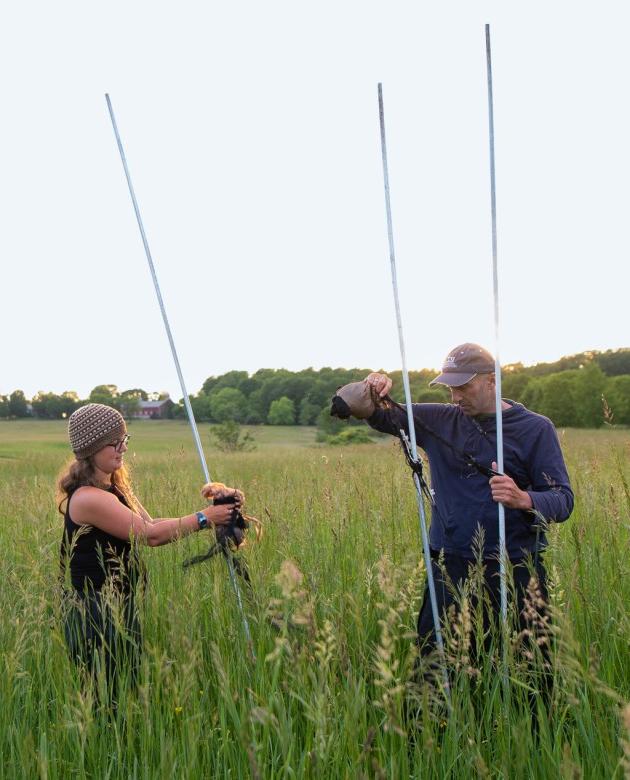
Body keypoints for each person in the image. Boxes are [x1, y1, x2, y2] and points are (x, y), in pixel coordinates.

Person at [358, 343, 574, 678]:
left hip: (517, 567)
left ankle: (528, 730)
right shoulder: (438, 419)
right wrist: (370, 388)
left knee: (531, 672)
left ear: (491, 380)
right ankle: (431, 730)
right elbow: (375, 413)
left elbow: (563, 499)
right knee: (434, 670)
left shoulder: (535, 428)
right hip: (449, 565)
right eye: (450, 388)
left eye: (463, 387)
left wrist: (524, 499)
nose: (456, 397)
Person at [58, 403, 242, 703]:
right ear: (91, 448)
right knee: (108, 703)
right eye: (114, 442)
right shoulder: (88, 498)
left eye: (125, 440)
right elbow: (150, 536)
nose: (123, 448)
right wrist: (205, 517)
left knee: (124, 694)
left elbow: (152, 523)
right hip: (93, 613)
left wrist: (213, 513)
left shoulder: (115, 487)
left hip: (118, 606)